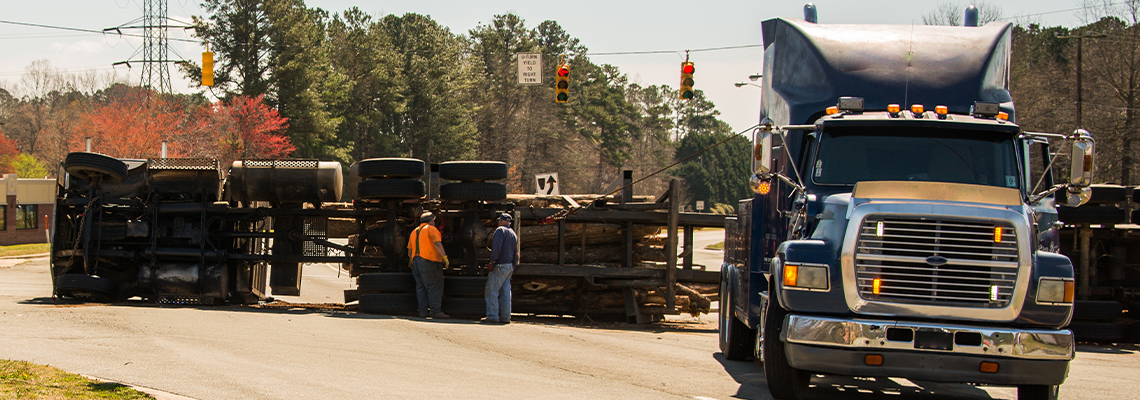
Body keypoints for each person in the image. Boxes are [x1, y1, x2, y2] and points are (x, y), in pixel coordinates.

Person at [407, 212, 449, 319]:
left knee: (421, 287)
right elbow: (437, 243)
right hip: (429, 262)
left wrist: (412, 260)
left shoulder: (414, 232)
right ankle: (435, 311)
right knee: (434, 286)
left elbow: (409, 250)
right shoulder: (431, 229)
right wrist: (444, 257)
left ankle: (422, 312)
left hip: (416, 262)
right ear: (431, 220)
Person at [482, 213, 518, 324]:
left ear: (501, 221)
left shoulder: (500, 231)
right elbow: (516, 253)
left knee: (492, 290)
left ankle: (493, 316)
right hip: (509, 266)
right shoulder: (513, 233)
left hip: (500, 265)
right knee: (506, 292)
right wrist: (513, 265)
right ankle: (506, 317)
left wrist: (492, 261)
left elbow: (496, 247)